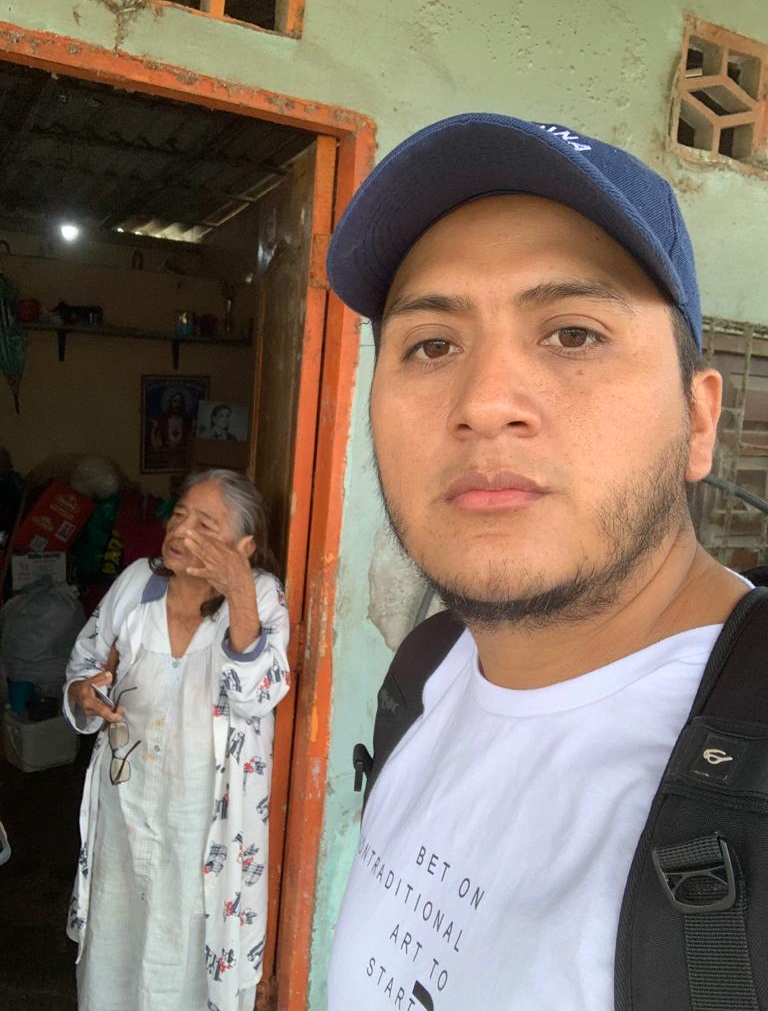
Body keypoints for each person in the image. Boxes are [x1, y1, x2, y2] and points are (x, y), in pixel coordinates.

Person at [324, 114, 749, 1009]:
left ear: (698, 421)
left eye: (574, 334)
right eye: (432, 345)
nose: (484, 403)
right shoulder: (426, 673)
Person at [63, 468, 290, 1011]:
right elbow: (83, 664)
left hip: (205, 828)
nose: (181, 530)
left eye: (205, 524)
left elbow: (256, 694)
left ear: (244, 545)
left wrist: (238, 589)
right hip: (125, 810)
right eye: (180, 514)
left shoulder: (261, 595)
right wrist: (83, 694)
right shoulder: (137, 584)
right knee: (116, 941)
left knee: (186, 949)